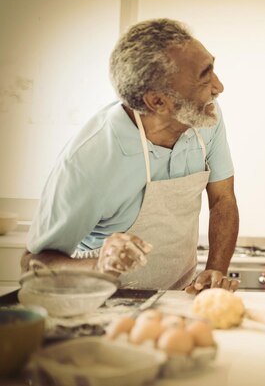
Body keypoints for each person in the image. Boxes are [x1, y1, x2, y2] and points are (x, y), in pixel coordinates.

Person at [21, 18, 239, 293]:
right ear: (158, 101)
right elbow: (32, 262)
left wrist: (215, 270)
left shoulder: (206, 117)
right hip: (102, 303)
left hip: (175, 296)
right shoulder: (88, 160)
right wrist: (99, 265)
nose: (218, 87)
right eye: (204, 76)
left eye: (212, 68)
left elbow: (223, 199)